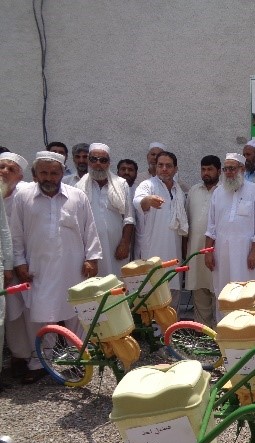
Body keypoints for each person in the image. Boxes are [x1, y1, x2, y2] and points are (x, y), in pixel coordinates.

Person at [11, 151, 102, 383]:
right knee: (40, 315)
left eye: (54, 173)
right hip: (37, 267)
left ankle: (76, 360)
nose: (49, 177)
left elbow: (89, 228)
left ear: (62, 173)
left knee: (76, 313)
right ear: (35, 174)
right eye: (44, 172)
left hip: (73, 266)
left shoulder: (77, 196)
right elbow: (16, 233)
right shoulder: (23, 198)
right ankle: (41, 362)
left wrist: (92, 257)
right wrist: (19, 261)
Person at [204, 153, 255, 320]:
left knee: (245, 290)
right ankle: (223, 331)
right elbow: (211, 226)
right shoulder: (218, 192)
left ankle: (245, 329)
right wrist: (208, 252)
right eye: (225, 169)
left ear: (242, 169)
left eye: (232, 168)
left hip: (245, 253)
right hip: (221, 253)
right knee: (222, 290)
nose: (228, 172)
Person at [133, 151, 188, 308]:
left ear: (175, 169)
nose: (164, 169)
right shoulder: (148, 185)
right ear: (155, 167)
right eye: (160, 165)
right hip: (153, 250)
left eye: (168, 166)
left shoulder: (178, 191)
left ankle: (170, 331)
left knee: (173, 291)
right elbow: (138, 201)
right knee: (153, 294)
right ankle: (155, 332)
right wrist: (148, 200)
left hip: (174, 250)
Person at [76, 143, 134, 277]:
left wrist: (125, 244)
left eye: (103, 160)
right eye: (93, 159)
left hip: (115, 247)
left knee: (116, 285)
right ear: (88, 161)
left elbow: (129, 218)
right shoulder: (78, 187)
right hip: (88, 249)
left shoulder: (121, 184)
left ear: (109, 163)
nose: (98, 164)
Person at [184, 155, 220, 328]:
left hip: (217, 252)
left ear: (219, 171)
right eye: (203, 169)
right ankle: (203, 331)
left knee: (217, 290)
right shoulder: (193, 191)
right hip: (195, 251)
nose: (206, 173)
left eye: (210, 169)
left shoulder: (224, 190)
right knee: (199, 291)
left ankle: (219, 332)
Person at [0, 152, 26, 383]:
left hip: (22, 264)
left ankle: (23, 357)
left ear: (20, 175)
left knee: (21, 312)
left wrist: (16, 262)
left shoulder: (25, 194)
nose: (4, 172)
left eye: (11, 169)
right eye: (1, 167)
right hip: (4, 264)